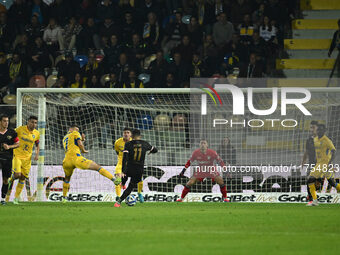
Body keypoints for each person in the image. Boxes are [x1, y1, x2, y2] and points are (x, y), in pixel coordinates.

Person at [61, 124, 120, 203]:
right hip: (76, 158)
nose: (77, 131)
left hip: (66, 161)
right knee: (97, 167)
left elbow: (74, 144)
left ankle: (64, 198)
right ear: (72, 129)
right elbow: (79, 143)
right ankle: (113, 179)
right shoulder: (75, 133)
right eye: (76, 129)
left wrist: (83, 140)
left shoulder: (65, 137)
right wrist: (83, 150)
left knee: (67, 178)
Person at [114, 129, 158, 207]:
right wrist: (150, 151)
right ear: (140, 136)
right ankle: (118, 202)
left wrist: (123, 171)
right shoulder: (145, 144)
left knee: (124, 178)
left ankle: (123, 183)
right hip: (139, 169)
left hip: (129, 167)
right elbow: (155, 150)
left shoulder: (128, 144)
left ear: (131, 136)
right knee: (130, 187)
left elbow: (125, 158)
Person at [8, 116, 40, 205]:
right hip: (17, 156)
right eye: (32, 122)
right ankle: (11, 179)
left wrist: (37, 154)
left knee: (23, 177)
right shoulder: (20, 129)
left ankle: (16, 198)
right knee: (17, 175)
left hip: (27, 159)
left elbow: (37, 144)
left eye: (35, 123)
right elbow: (11, 136)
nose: (34, 124)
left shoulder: (36, 133)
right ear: (28, 122)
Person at [306, 124, 340, 206]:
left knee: (310, 180)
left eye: (321, 130)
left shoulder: (327, 140)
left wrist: (329, 162)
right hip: (319, 163)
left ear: (324, 131)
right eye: (318, 130)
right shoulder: (315, 139)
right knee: (332, 183)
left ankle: (314, 200)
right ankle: (313, 199)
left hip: (325, 164)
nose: (319, 131)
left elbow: (334, 151)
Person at [114, 128, 145, 203]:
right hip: (121, 162)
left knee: (139, 178)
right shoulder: (117, 142)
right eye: (124, 132)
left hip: (132, 163)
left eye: (128, 132)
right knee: (118, 177)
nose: (126, 134)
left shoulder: (134, 142)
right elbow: (117, 152)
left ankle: (139, 193)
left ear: (131, 134)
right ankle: (118, 196)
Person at [0, 115, 19, 205]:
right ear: (0, 122)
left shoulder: (12, 132)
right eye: (4, 121)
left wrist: (9, 147)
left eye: (7, 121)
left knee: (5, 180)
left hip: (7, 158)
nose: (6, 123)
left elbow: (18, 144)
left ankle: (3, 199)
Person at [301, 121, 318, 202]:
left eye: (313, 127)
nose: (311, 129)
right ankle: (310, 197)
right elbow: (306, 151)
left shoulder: (323, 139)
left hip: (321, 163)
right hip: (312, 163)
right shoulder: (309, 140)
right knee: (309, 180)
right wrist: (303, 161)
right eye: (311, 127)